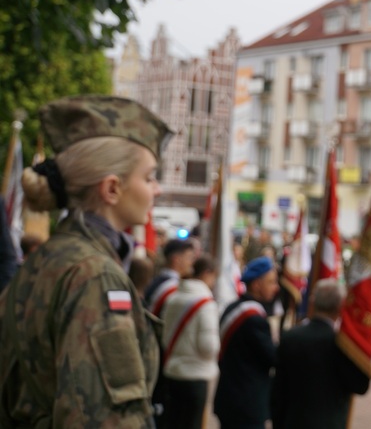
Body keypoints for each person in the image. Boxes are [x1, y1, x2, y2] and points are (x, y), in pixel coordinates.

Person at [0, 95, 171, 426]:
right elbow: (107, 418)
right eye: (149, 177)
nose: (157, 190)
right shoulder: (96, 276)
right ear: (111, 189)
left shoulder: (48, 257)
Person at [271, 279, 370, 429]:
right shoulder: (343, 346)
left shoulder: (290, 337)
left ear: (312, 302)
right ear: (340, 307)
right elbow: (360, 386)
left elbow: (277, 392)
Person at [214, 256, 280, 429]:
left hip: (229, 398)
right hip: (246, 404)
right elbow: (273, 357)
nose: (276, 287)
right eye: (271, 282)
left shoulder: (233, 307)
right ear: (257, 285)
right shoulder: (253, 318)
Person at [160, 254, 219, 429]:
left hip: (172, 372)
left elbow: (164, 336)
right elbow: (208, 347)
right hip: (196, 376)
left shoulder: (173, 298)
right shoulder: (206, 304)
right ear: (207, 274)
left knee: (174, 421)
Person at [143, 237, 196, 427]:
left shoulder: (158, 281)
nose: (192, 262)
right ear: (176, 259)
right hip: (161, 354)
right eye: (189, 257)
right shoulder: (171, 288)